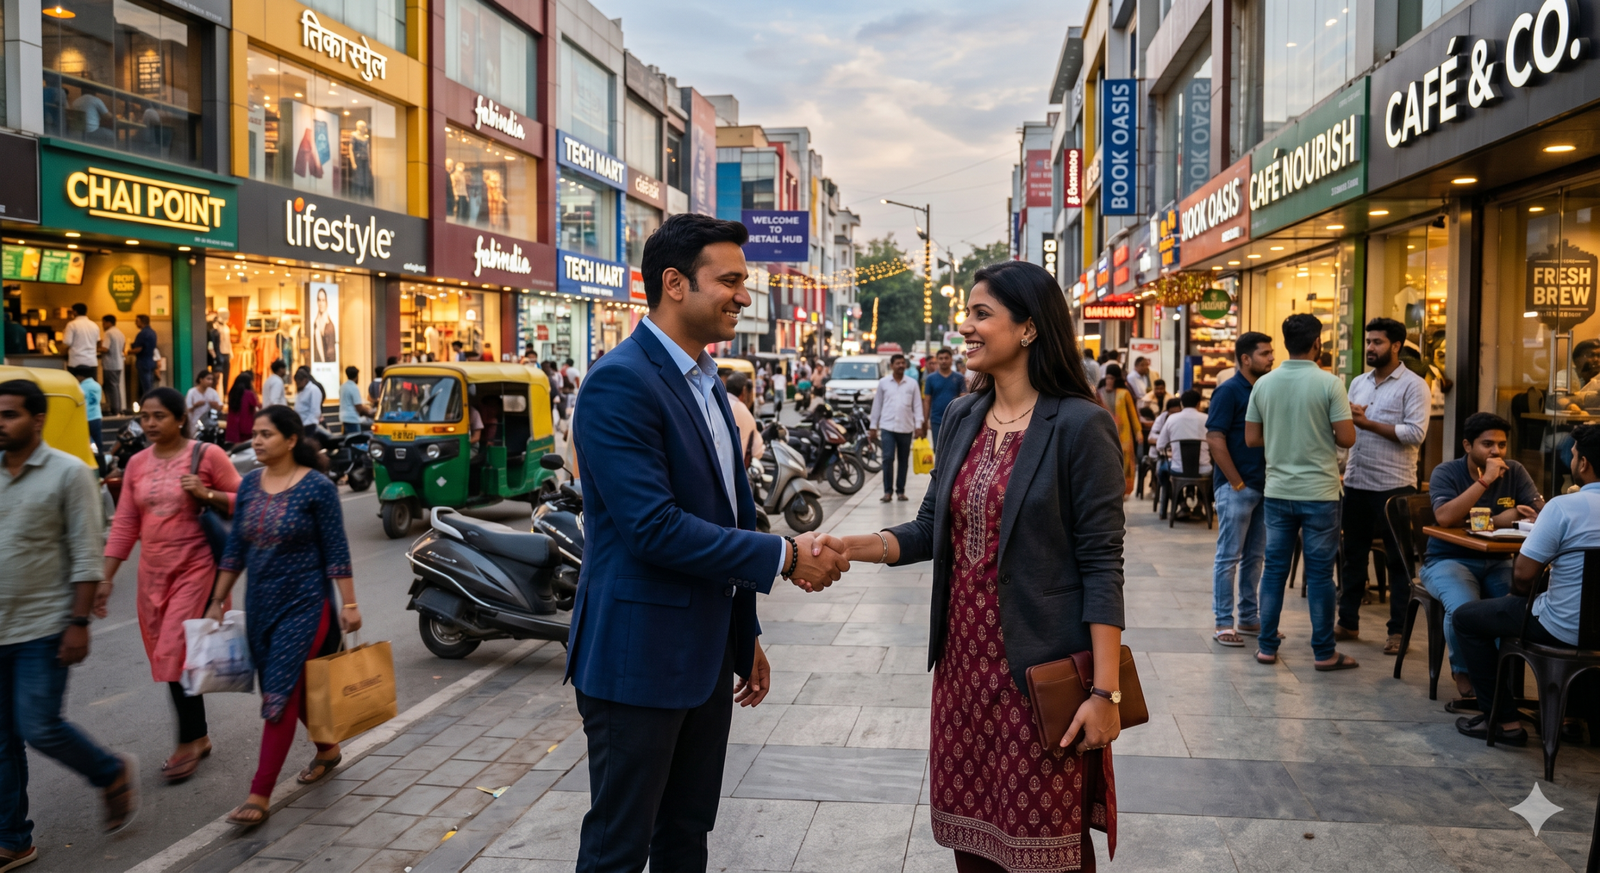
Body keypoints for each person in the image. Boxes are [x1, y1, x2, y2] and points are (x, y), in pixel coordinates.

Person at [566, 212, 847, 873]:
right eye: (730, 280)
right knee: (617, 847)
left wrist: (741, 631)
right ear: (674, 283)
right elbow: (653, 526)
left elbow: (731, 512)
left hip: (702, 660)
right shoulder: (619, 381)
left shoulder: (708, 381)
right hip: (635, 661)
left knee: (686, 835)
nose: (744, 296)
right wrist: (786, 556)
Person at [837, 260, 1124, 873]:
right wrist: (845, 547)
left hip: (1037, 674)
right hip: (964, 671)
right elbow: (927, 529)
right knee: (975, 845)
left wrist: (1105, 692)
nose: (964, 327)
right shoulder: (963, 416)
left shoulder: (1080, 425)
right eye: (965, 312)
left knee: (1047, 845)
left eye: (980, 314)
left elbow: (1103, 565)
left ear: (1028, 329)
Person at [0, 380, 138, 866]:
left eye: (9, 414)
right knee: (1, 741)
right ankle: (14, 839)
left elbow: (85, 552)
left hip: (44, 627)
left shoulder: (69, 474)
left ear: (37, 420)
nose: (0, 422)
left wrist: (79, 621)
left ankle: (109, 772)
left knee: (38, 726)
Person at [202, 406, 357, 826]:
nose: (255, 440)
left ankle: (259, 794)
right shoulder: (250, 485)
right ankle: (328, 748)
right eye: (254, 433)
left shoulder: (318, 488)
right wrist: (218, 598)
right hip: (261, 606)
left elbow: (336, 550)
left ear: (291, 440)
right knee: (291, 687)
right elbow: (236, 548)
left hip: (307, 605)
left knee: (280, 695)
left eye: (266, 434)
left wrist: (350, 604)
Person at [99, 387, 239, 784]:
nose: (150, 424)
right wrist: (106, 578)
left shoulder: (207, 455)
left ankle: (188, 741)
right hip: (153, 576)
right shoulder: (137, 464)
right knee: (173, 658)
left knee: (175, 652)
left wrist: (207, 492)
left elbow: (244, 496)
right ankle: (201, 734)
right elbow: (126, 523)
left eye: (159, 416)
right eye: (145, 416)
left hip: (197, 570)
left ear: (180, 418)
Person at [1451, 423, 1600, 744]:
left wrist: (1516, 599)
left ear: (1584, 464)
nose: (1571, 462)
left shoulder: (1564, 507)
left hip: (1562, 628)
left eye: (1573, 456)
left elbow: (1522, 575)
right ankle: (1570, 717)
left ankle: (1504, 722)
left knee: (1466, 618)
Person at [1246, 314, 1358, 669]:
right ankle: (1324, 652)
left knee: (1274, 570)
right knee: (1321, 574)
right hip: (1320, 492)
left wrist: (1282, 437)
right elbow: (1347, 438)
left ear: (1285, 343)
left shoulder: (1264, 384)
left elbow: (1251, 439)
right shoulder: (1330, 384)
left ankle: (1266, 647)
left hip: (1278, 491)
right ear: (1317, 344)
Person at [1419, 412, 1544, 703]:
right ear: (1467, 445)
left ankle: (1500, 677)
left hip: (1498, 561)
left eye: (1501, 445)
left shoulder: (1515, 470)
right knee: (1464, 609)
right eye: (1487, 444)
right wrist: (1486, 482)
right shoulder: (1447, 472)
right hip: (1447, 559)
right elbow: (1446, 517)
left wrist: (1507, 518)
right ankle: (1466, 674)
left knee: (1517, 609)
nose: (1496, 452)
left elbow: (1539, 511)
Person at [1337, 318, 1432, 654]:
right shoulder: (1358, 383)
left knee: (1398, 560)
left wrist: (1368, 423)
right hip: (1358, 480)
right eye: (1369, 342)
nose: (1371, 348)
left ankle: (1398, 632)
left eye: (1377, 342)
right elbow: (1350, 429)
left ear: (1396, 346)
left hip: (1394, 486)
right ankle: (1347, 620)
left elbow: (1414, 433)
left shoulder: (1414, 385)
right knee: (1353, 556)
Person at [1206, 332, 1275, 646]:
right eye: (1264, 353)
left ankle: (1249, 618)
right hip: (1237, 488)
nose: (1271, 358)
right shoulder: (1229, 391)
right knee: (1228, 557)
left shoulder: (1265, 389)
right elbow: (1215, 439)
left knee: (1255, 557)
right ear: (1246, 358)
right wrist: (1236, 482)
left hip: (1264, 486)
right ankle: (1223, 623)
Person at [869, 353, 923, 503]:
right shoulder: (883, 383)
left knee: (903, 460)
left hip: (906, 428)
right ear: (891, 366)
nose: (900, 365)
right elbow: (877, 405)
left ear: (905, 365)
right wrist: (873, 426)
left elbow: (917, 406)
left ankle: (900, 491)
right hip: (887, 427)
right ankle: (887, 492)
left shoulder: (912, 384)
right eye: (897, 363)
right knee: (887, 458)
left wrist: (919, 425)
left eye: (902, 363)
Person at [1156, 389, 1212, 519]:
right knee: (1217, 472)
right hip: (1204, 469)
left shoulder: (1172, 419)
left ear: (1181, 403)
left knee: (1163, 470)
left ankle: (1181, 504)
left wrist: (1174, 453)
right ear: (1199, 404)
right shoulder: (1207, 419)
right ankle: (1201, 504)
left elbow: (1160, 446)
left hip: (1178, 469)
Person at [1098, 363, 1143, 496]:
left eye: (1111, 378)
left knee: (1124, 462)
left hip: (1124, 435)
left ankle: (1122, 491)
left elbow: (1133, 414)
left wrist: (1138, 432)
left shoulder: (1124, 394)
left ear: (1116, 379)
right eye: (1107, 378)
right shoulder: (1099, 394)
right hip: (1105, 434)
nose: (1108, 381)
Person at [921, 347, 966, 444]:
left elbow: (964, 398)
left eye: (946, 358)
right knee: (938, 450)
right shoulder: (930, 378)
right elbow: (927, 401)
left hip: (955, 420)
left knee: (953, 450)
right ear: (937, 360)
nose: (943, 361)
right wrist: (925, 421)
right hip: (936, 420)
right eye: (941, 358)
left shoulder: (959, 378)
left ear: (951, 359)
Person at [725, 371, 764, 466]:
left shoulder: (716, 402)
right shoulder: (743, 411)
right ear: (744, 390)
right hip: (730, 471)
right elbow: (757, 451)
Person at [70, 365, 105, 447]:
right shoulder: (97, 386)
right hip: (97, 417)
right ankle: (100, 457)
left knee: (84, 443)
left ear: (81, 376)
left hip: (85, 418)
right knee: (98, 441)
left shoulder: (79, 387)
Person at [100, 314, 127, 416]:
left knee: (111, 387)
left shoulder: (108, 333)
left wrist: (93, 349)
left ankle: (114, 409)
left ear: (108, 323)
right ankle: (118, 408)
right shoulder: (120, 333)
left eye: (103, 323)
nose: (103, 325)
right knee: (114, 386)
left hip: (110, 364)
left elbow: (105, 349)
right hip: (119, 363)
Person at [225, 372, 260, 444]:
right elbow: (256, 405)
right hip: (246, 425)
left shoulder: (232, 393)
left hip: (233, 425)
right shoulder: (249, 393)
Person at [64, 303, 100, 371]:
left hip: (76, 362)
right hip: (91, 362)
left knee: (75, 381)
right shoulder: (94, 325)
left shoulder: (71, 325)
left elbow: (67, 342)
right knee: (90, 381)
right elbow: (97, 341)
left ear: (75, 311)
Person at [185, 370, 222, 435]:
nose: (210, 382)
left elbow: (220, 407)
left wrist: (215, 406)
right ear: (201, 380)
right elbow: (187, 409)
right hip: (193, 423)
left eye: (212, 379)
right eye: (208, 379)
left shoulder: (213, 392)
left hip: (208, 423)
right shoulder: (192, 392)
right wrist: (195, 405)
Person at [131, 315, 159, 398]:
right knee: (150, 386)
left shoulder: (142, 334)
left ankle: (149, 404)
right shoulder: (153, 332)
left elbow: (138, 349)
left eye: (137, 321)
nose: (135, 323)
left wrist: (128, 351)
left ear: (142, 322)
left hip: (143, 362)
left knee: (146, 387)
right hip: (151, 361)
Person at [338, 366, 371, 436]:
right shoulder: (354, 387)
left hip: (343, 417)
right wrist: (369, 413)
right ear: (356, 376)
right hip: (352, 418)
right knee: (355, 440)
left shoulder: (343, 386)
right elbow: (358, 407)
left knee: (347, 439)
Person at [292, 367, 325, 432]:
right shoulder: (301, 390)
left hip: (309, 425)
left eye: (299, 382)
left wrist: (307, 424)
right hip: (300, 424)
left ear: (305, 380)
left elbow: (315, 411)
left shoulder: (313, 390)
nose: (297, 385)